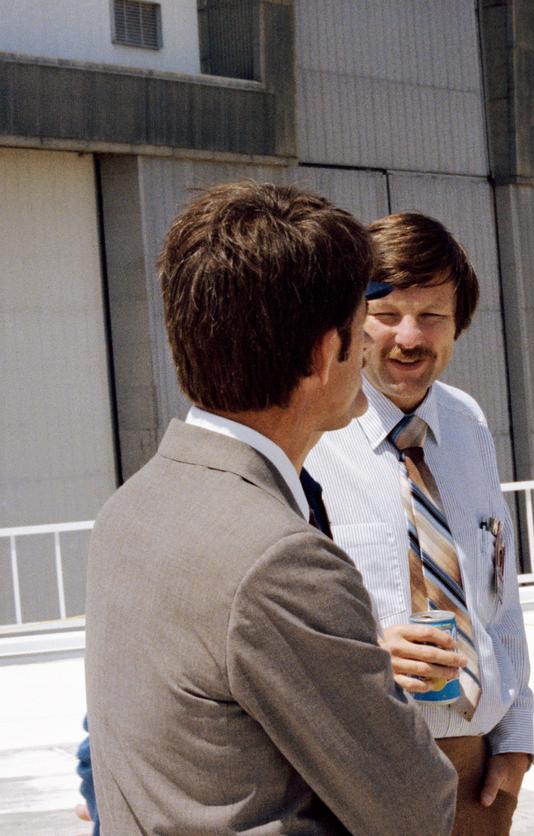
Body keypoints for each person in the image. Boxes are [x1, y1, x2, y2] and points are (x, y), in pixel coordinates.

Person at [84, 182, 457, 834]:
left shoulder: (129, 508)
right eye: (359, 328)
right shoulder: (280, 561)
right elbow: (414, 807)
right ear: (323, 354)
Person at [305, 212, 533, 834]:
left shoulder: (467, 423)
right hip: (359, 767)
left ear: (458, 324)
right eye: (386, 315)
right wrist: (372, 653)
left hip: (476, 774)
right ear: (351, 320)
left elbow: (499, 595)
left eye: (432, 315)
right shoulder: (308, 435)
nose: (410, 337)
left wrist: (516, 737)